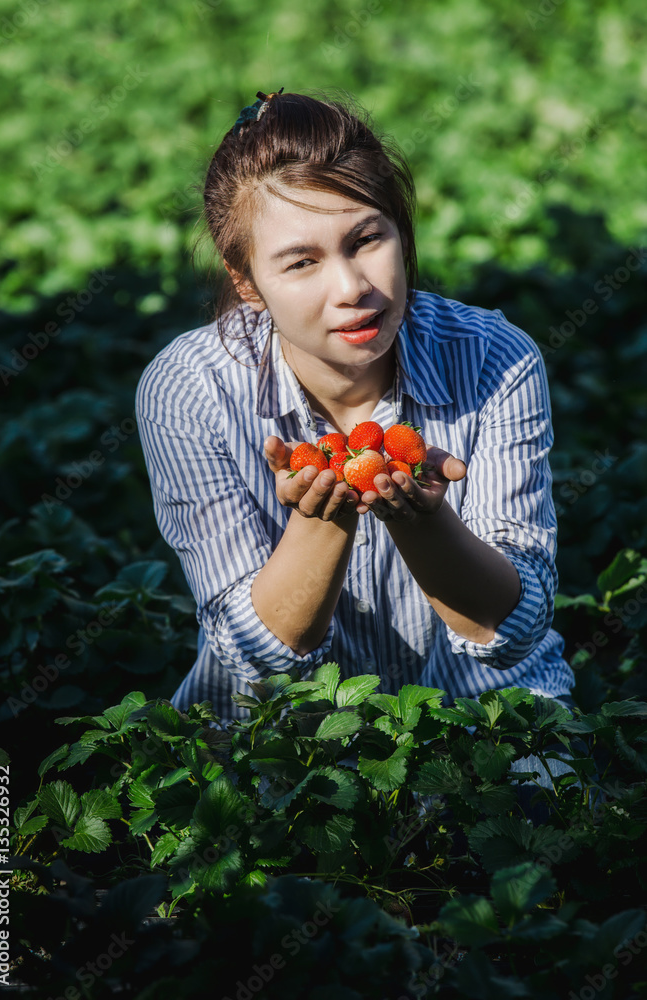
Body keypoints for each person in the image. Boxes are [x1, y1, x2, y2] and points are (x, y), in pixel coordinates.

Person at [135, 88, 575, 728]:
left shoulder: (494, 358)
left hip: (487, 715)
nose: (353, 289)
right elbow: (253, 659)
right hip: (277, 731)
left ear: (400, 228)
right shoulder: (189, 389)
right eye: (301, 262)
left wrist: (423, 524)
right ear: (246, 281)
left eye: (367, 238)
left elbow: (513, 629)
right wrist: (325, 517)